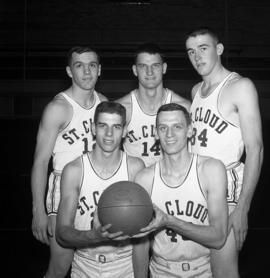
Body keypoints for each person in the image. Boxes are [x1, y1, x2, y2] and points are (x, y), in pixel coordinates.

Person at [186, 27, 264, 278]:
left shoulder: (240, 86)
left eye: (203, 48)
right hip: (196, 187)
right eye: (191, 51)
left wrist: (243, 209)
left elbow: (256, 149)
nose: (197, 56)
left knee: (224, 271)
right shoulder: (195, 91)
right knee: (199, 268)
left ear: (219, 49)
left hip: (227, 189)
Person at [31, 46, 107, 277]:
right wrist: (38, 211)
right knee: (60, 266)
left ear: (99, 70)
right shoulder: (58, 108)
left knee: (96, 264)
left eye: (92, 65)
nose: (86, 72)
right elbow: (40, 162)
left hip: (95, 188)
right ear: (69, 71)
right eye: (79, 66)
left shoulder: (103, 104)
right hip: (63, 189)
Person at [133, 103, 228, 277]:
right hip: (161, 271)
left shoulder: (211, 170)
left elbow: (219, 237)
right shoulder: (144, 179)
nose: (169, 134)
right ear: (155, 133)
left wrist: (169, 221)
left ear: (190, 130)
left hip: (203, 270)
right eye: (163, 128)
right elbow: (140, 245)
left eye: (177, 127)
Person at [55, 101, 145, 278]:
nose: (109, 134)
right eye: (103, 125)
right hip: (84, 265)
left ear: (125, 131)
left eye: (116, 127)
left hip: (125, 266)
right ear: (93, 128)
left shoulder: (135, 168)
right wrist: (94, 236)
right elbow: (62, 233)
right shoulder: (74, 170)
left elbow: (142, 237)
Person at [116, 42, 190, 167]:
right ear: (135, 70)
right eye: (143, 66)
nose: (149, 72)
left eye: (155, 66)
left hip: (172, 181)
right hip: (134, 182)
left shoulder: (184, 107)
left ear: (164, 68)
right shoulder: (122, 108)